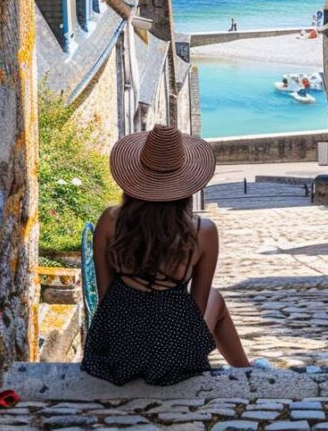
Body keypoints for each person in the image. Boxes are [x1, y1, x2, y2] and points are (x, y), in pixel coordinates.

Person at [81, 125, 251, 385]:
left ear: (134, 179)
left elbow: (105, 298)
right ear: (185, 183)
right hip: (172, 354)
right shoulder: (202, 231)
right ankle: (248, 373)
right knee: (215, 298)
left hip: (117, 349)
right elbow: (197, 306)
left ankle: (248, 371)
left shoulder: (109, 221)